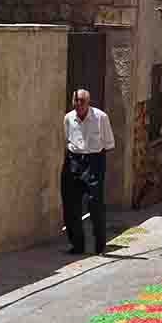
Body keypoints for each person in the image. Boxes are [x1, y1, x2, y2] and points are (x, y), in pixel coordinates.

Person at [61, 89, 115, 255]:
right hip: (73, 160)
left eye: (82, 101)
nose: (78, 105)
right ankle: (77, 245)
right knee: (70, 204)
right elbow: (67, 139)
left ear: (88, 102)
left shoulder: (100, 117)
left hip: (94, 161)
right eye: (76, 101)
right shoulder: (68, 118)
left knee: (95, 204)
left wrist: (96, 161)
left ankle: (99, 245)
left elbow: (108, 143)